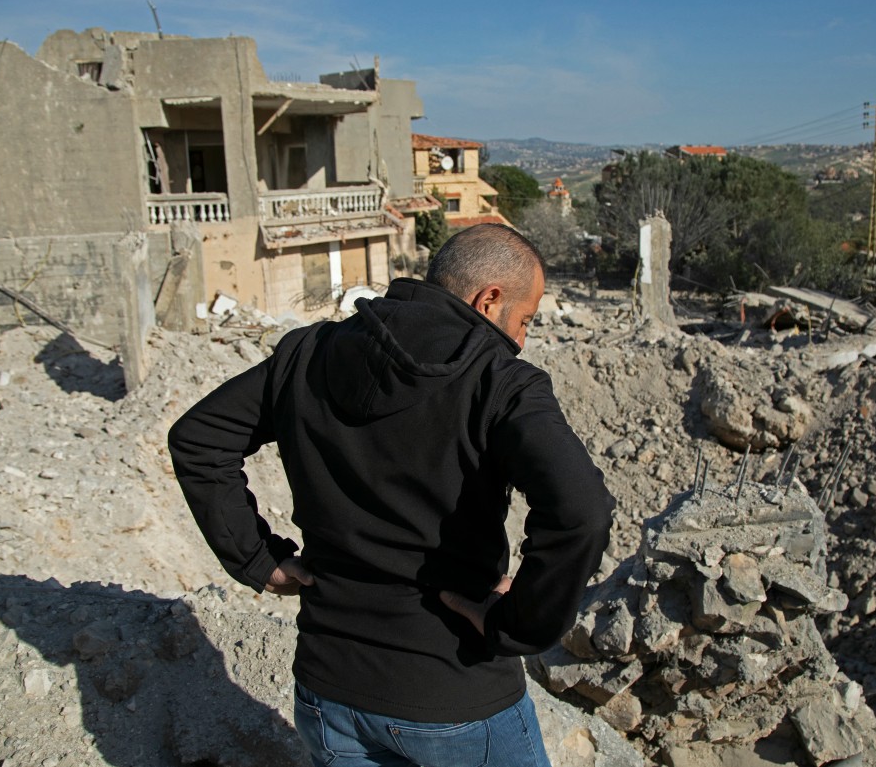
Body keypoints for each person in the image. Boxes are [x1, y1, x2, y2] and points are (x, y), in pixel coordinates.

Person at [169, 223, 615, 766]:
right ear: (489, 299)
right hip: (455, 695)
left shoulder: (306, 354)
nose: (521, 339)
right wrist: (517, 623)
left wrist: (258, 559)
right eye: (525, 320)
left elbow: (199, 439)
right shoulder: (500, 383)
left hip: (327, 692)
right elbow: (581, 511)